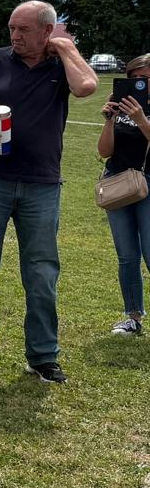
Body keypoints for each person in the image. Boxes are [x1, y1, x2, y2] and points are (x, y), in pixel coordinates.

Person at [0, 0, 98, 382]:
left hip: (41, 184)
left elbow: (87, 86)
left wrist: (66, 48)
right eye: (12, 28)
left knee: (41, 274)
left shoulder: (61, 66)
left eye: (24, 29)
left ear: (47, 32)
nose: (15, 36)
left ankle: (43, 355)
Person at [99, 54, 150, 336]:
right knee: (127, 256)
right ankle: (133, 317)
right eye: (134, 78)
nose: (138, 83)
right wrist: (109, 121)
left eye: (145, 78)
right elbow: (104, 151)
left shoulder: (142, 111)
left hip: (147, 183)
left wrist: (141, 119)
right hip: (117, 181)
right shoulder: (121, 108)